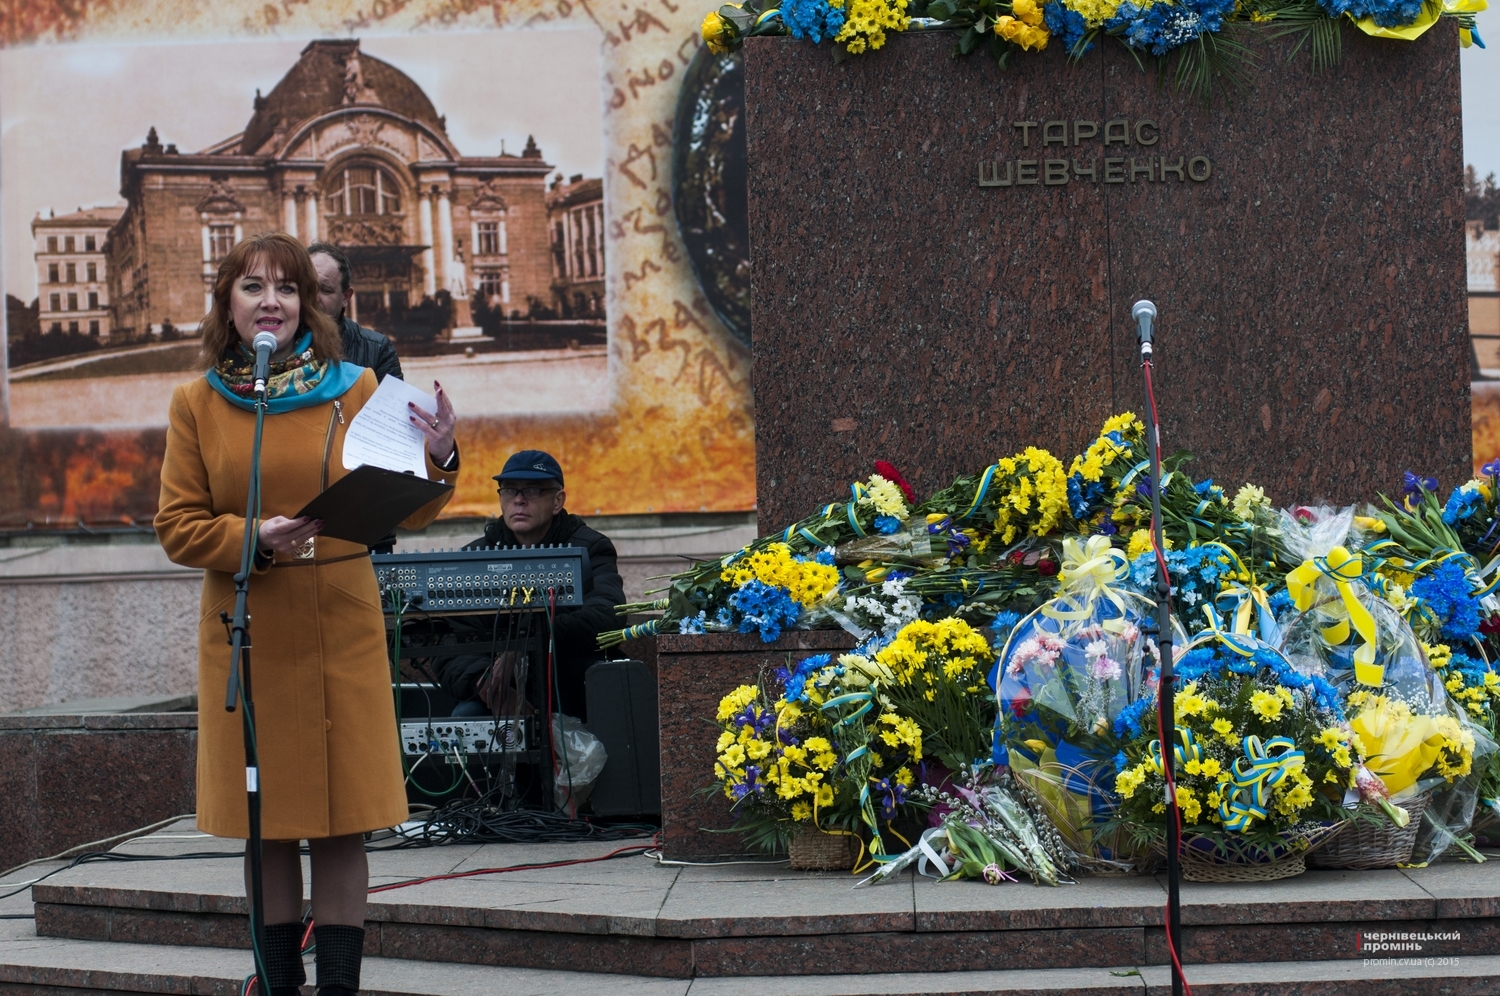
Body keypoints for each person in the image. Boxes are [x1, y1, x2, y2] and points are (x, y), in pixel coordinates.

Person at [154, 232, 460, 996]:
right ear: (227, 302)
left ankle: (339, 989)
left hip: (340, 626)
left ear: (309, 305)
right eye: (253, 286)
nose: (272, 302)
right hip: (250, 633)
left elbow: (410, 505)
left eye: (287, 288)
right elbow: (178, 526)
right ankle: (281, 985)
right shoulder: (196, 403)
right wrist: (252, 537)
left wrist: (440, 455)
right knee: (267, 827)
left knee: (342, 820)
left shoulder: (358, 388)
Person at [434, 450, 624, 722]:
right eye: (510, 490)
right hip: (500, 690)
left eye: (533, 490)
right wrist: (487, 685)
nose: (519, 500)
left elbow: (607, 615)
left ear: (558, 501)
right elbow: (450, 641)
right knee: (467, 718)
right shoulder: (474, 557)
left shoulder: (590, 547)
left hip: (570, 682)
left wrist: (523, 643)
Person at [307, 241, 402, 382]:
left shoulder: (378, 350)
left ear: (345, 297)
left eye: (325, 290)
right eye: (307, 287)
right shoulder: (278, 344)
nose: (314, 298)